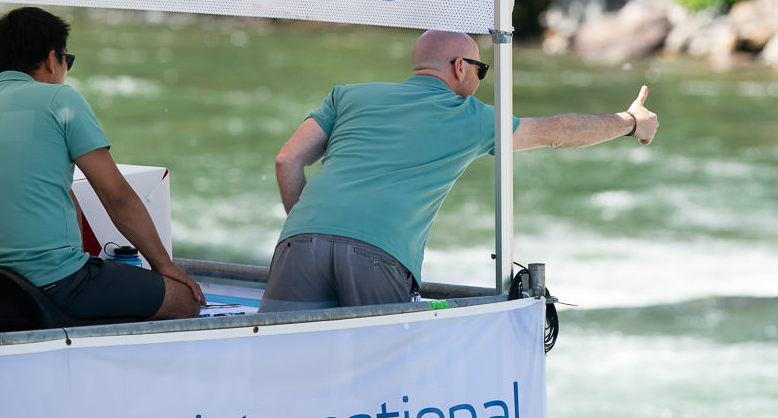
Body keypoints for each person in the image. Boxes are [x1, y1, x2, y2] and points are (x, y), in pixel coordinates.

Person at [257, 29, 659, 312]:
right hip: (378, 253)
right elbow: (558, 131)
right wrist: (629, 121)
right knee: (381, 382)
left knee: (280, 365)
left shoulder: (347, 96)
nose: (482, 79)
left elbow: (286, 160)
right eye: (482, 71)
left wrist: (310, 228)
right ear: (460, 66)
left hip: (299, 242)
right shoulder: (469, 116)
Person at [0, 7, 204, 336]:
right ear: (50, 59)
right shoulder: (61, 100)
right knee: (184, 300)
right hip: (56, 283)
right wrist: (165, 266)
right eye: (66, 61)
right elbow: (116, 196)